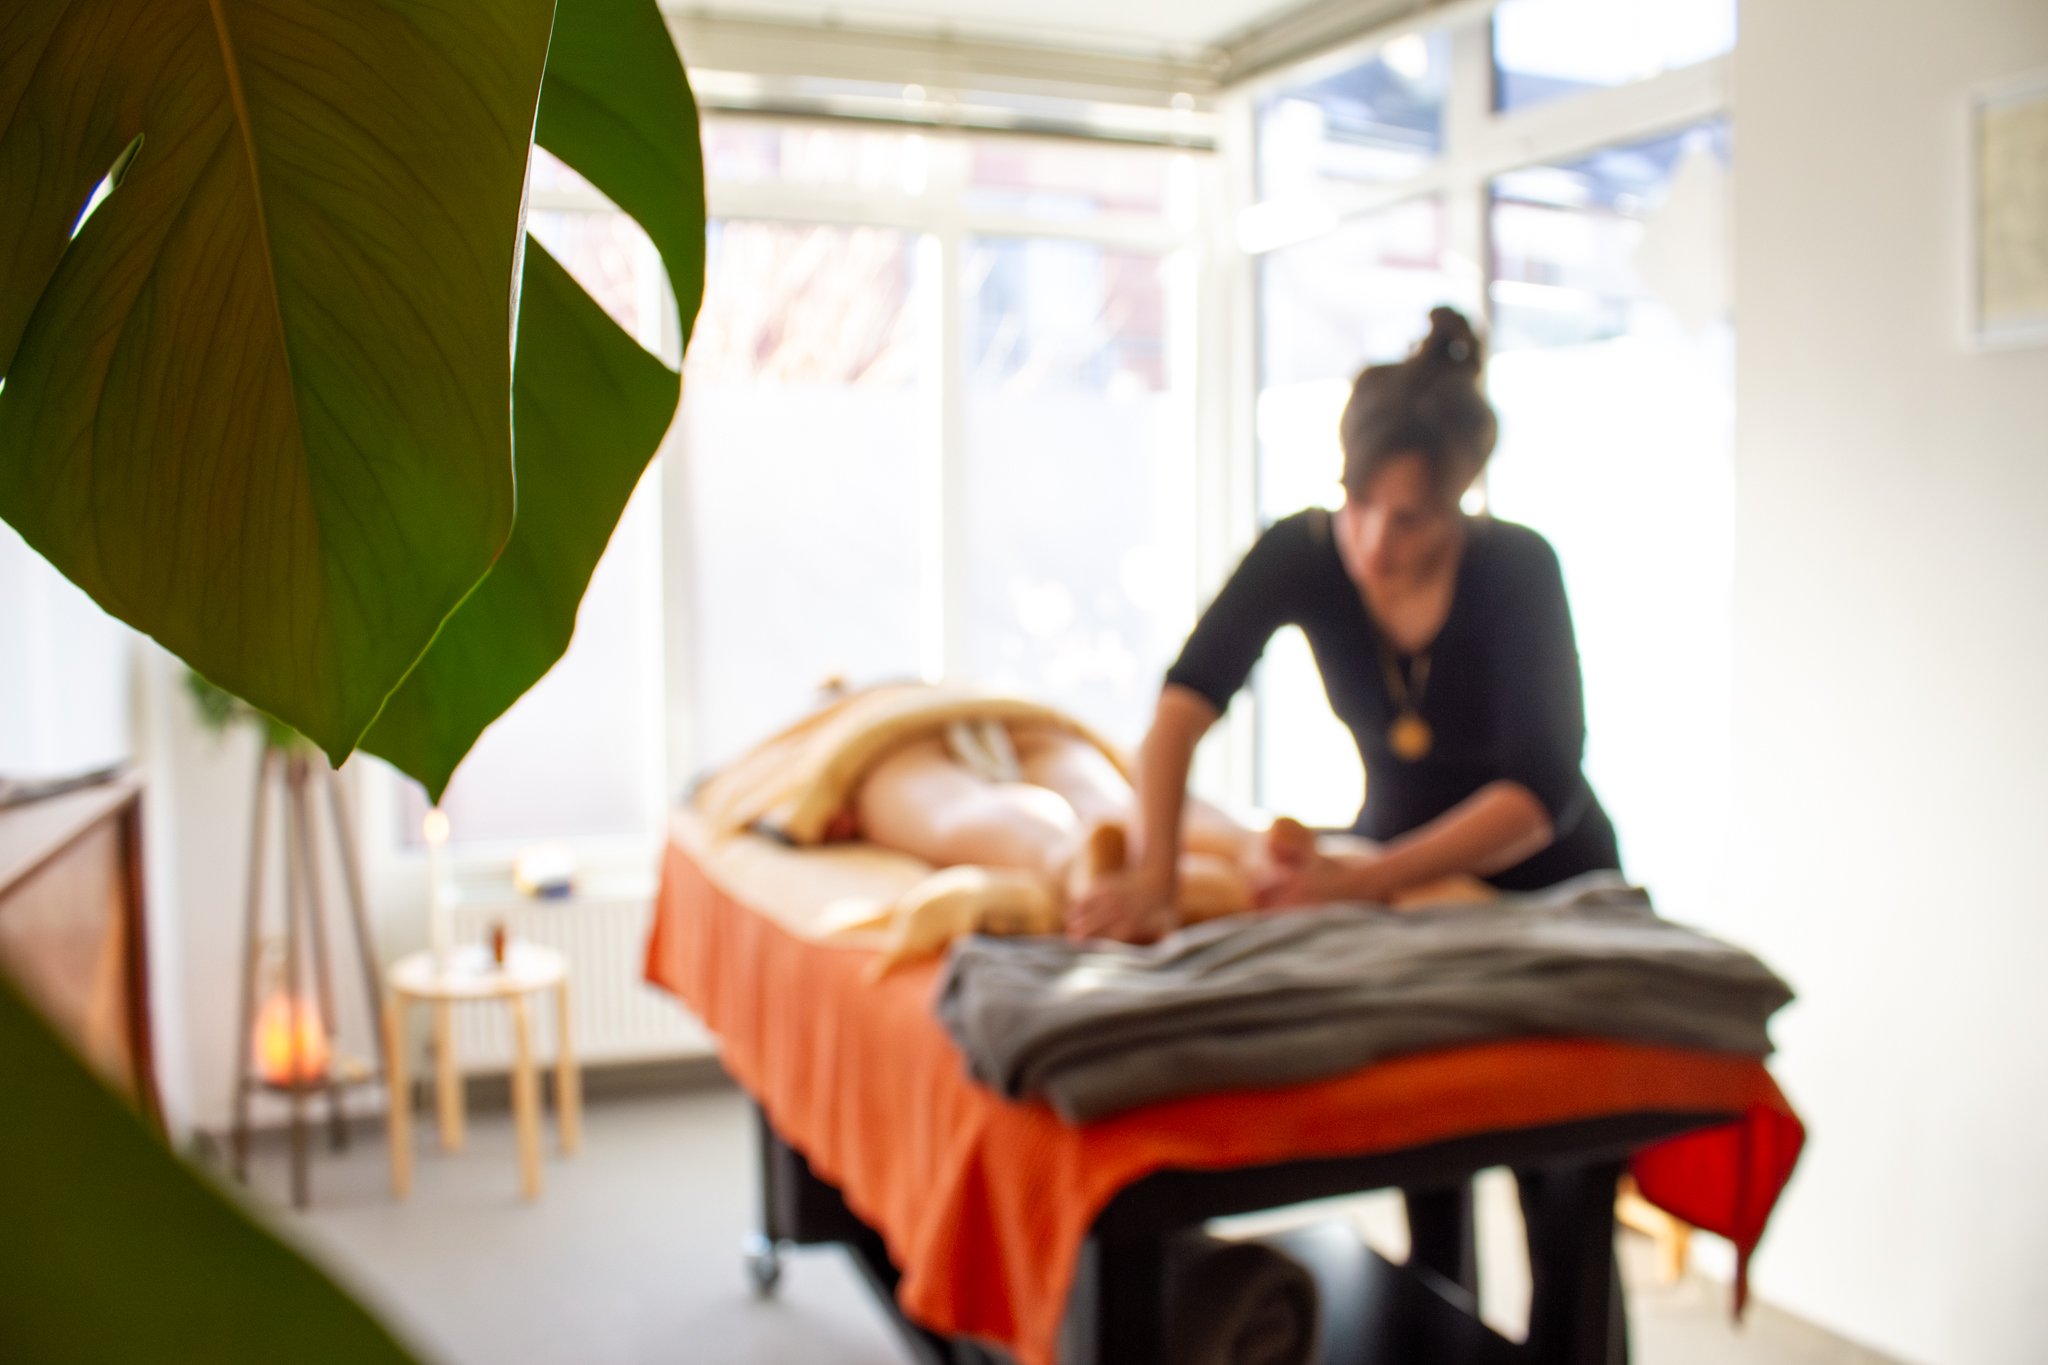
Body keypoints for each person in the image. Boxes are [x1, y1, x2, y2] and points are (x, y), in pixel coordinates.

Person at [1071, 305, 1621, 945]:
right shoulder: (1298, 550)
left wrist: (1359, 886)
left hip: (1550, 886)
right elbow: (1178, 714)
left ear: (1461, 500)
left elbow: (1537, 795)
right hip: (1386, 867)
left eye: (1409, 519)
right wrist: (1153, 881)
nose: (1373, 543)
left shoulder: (1517, 566)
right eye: (1357, 503)